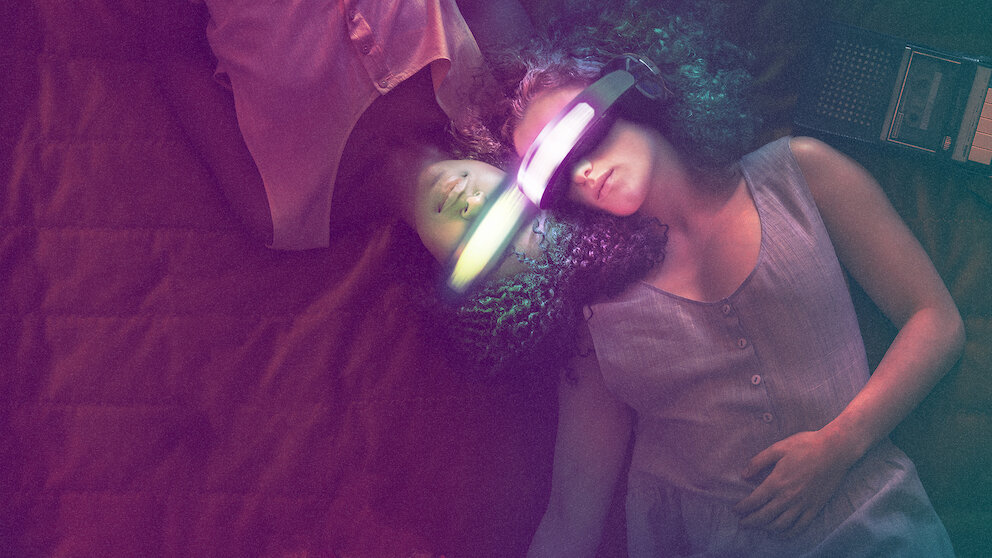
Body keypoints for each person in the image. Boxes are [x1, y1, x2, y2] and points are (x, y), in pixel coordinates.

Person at [467, 2, 965, 556]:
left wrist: (841, 443)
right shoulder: (596, 317)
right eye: (556, 176)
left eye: (580, 138)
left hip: (877, 528)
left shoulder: (802, 175)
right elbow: (570, 517)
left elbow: (935, 319)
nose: (581, 171)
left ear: (636, 88)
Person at [157, 0, 534, 249]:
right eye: (509, 212)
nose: (474, 206)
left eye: (486, 247)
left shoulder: (282, 208)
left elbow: (173, 50)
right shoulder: (497, 68)